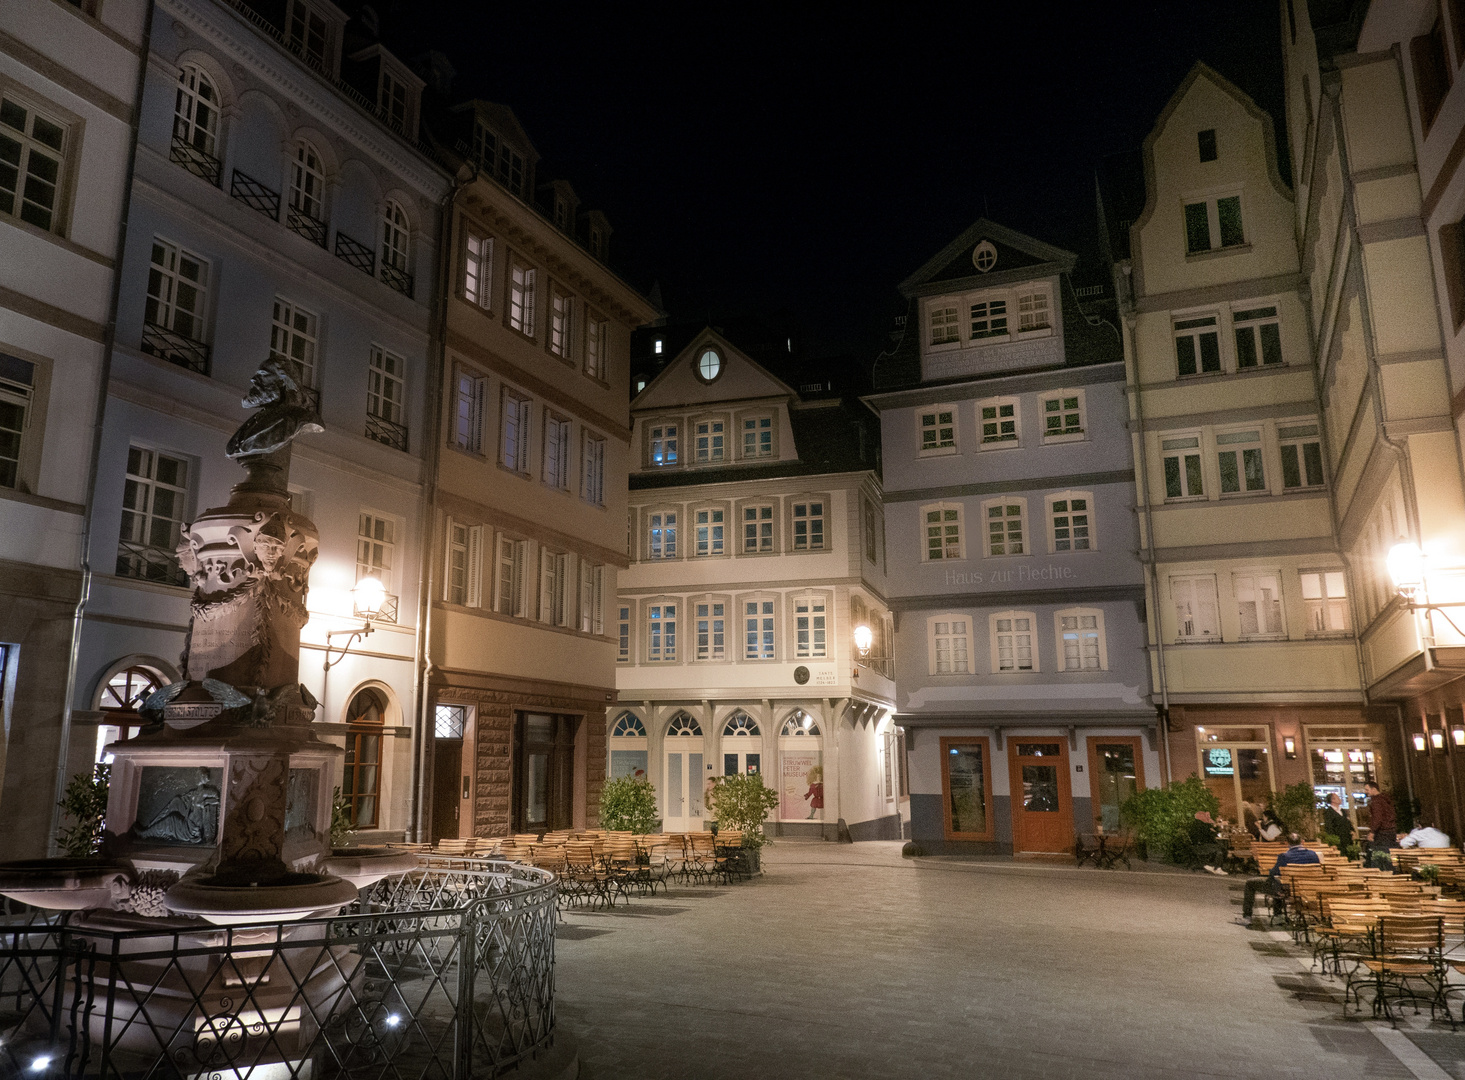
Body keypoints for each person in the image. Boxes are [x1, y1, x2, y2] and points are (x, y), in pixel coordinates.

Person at [1240, 833, 1321, 920]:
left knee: (1251, 883)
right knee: (1278, 882)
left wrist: (1270, 872)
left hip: (1287, 890)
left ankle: (1247, 916)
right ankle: (1278, 914)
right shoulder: (1313, 855)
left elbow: (1274, 873)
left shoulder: (1284, 856)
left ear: (1286, 843)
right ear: (1302, 842)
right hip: (1309, 889)